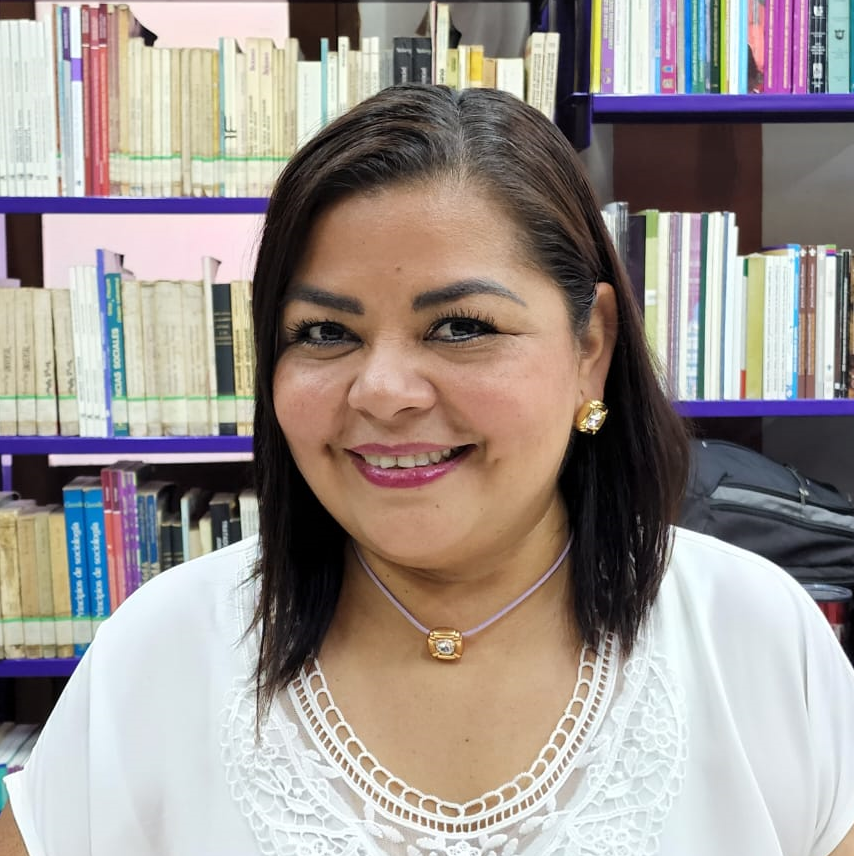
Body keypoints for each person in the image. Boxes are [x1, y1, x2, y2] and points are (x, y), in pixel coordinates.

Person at [1, 84, 852, 856]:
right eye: (324, 333)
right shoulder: (159, 654)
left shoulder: (755, 637)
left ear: (590, 348)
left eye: (461, 327)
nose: (382, 392)